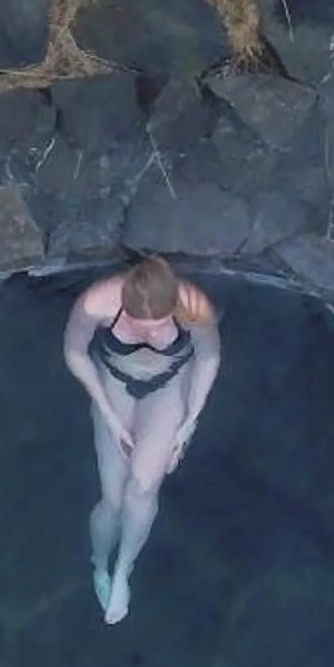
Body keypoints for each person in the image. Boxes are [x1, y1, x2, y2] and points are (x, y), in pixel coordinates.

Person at [62, 255, 220, 624]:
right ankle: (99, 563)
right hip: (115, 382)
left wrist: (190, 422)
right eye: (137, 324)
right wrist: (108, 414)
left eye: (160, 325)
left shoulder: (193, 305)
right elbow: (74, 351)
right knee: (112, 498)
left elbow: (208, 358)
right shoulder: (97, 301)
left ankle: (124, 571)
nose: (149, 333)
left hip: (167, 386)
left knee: (143, 487)